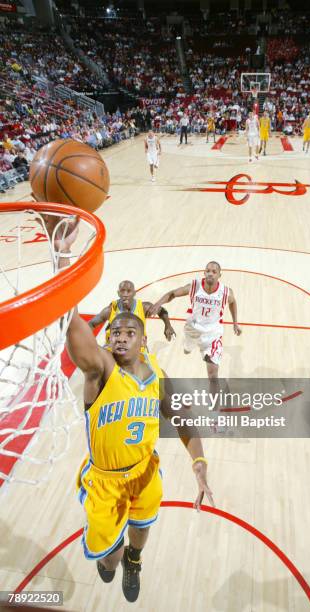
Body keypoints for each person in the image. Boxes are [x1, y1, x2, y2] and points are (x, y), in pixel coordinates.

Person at [53, 222, 214, 604]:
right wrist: (62, 260)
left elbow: (185, 420)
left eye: (129, 332)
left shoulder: (158, 375)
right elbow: (72, 324)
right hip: (105, 482)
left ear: (143, 340)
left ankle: (135, 559)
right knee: (106, 562)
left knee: (141, 529)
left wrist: (200, 463)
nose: (120, 336)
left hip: (145, 471)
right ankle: (116, 556)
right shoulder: (100, 370)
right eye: (115, 333)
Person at [147, 262, 241, 392]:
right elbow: (173, 293)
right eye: (208, 270)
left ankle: (214, 407)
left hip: (212, 334)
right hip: (192, 329)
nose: (210, 273)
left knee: (213, 375)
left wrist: (235, 322)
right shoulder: (194, 286)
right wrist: (158, 304)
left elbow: (233, 302)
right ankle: (188, 346)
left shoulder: (226, 292)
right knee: (187, 349)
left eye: (214, 271)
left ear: (220, 275)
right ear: (204, 272)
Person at [89, 280, 175, 346]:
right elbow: (91, 324)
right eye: (122, 291)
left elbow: (162, 311)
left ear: (134, 293)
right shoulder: (110, 310)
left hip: (137, 350)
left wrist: (167, 325)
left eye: (128, 291)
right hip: (114, 350)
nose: (125, 294)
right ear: (118, 293)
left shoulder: (143, 307)